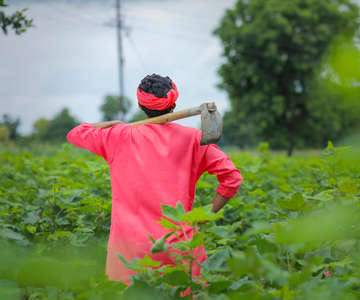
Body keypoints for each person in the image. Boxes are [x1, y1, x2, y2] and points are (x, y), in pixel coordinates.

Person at [66, 74, 243, 285]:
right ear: (174, 104)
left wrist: (114, 123)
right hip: (179, 246)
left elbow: (76, 133)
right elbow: (232, 179)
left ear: (141, 106)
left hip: (129, 252)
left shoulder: (118, 136)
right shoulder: (194, 139)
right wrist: (203, 217)